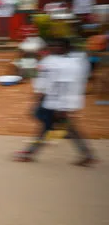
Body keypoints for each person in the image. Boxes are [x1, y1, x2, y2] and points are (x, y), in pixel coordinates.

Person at [14, 38, 96, 166]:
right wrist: (39, 96)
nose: (54, 48)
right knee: (62, 128)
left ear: (66, 48)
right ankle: (87, 154)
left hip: (58, 103)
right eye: (52, 45)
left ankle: (29, 153)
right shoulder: (53, 60)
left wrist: (63, 107)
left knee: (49, 128)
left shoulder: (70, 64)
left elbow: (68, 86)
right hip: (52, 100)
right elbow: (46, 81)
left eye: (58, 45)